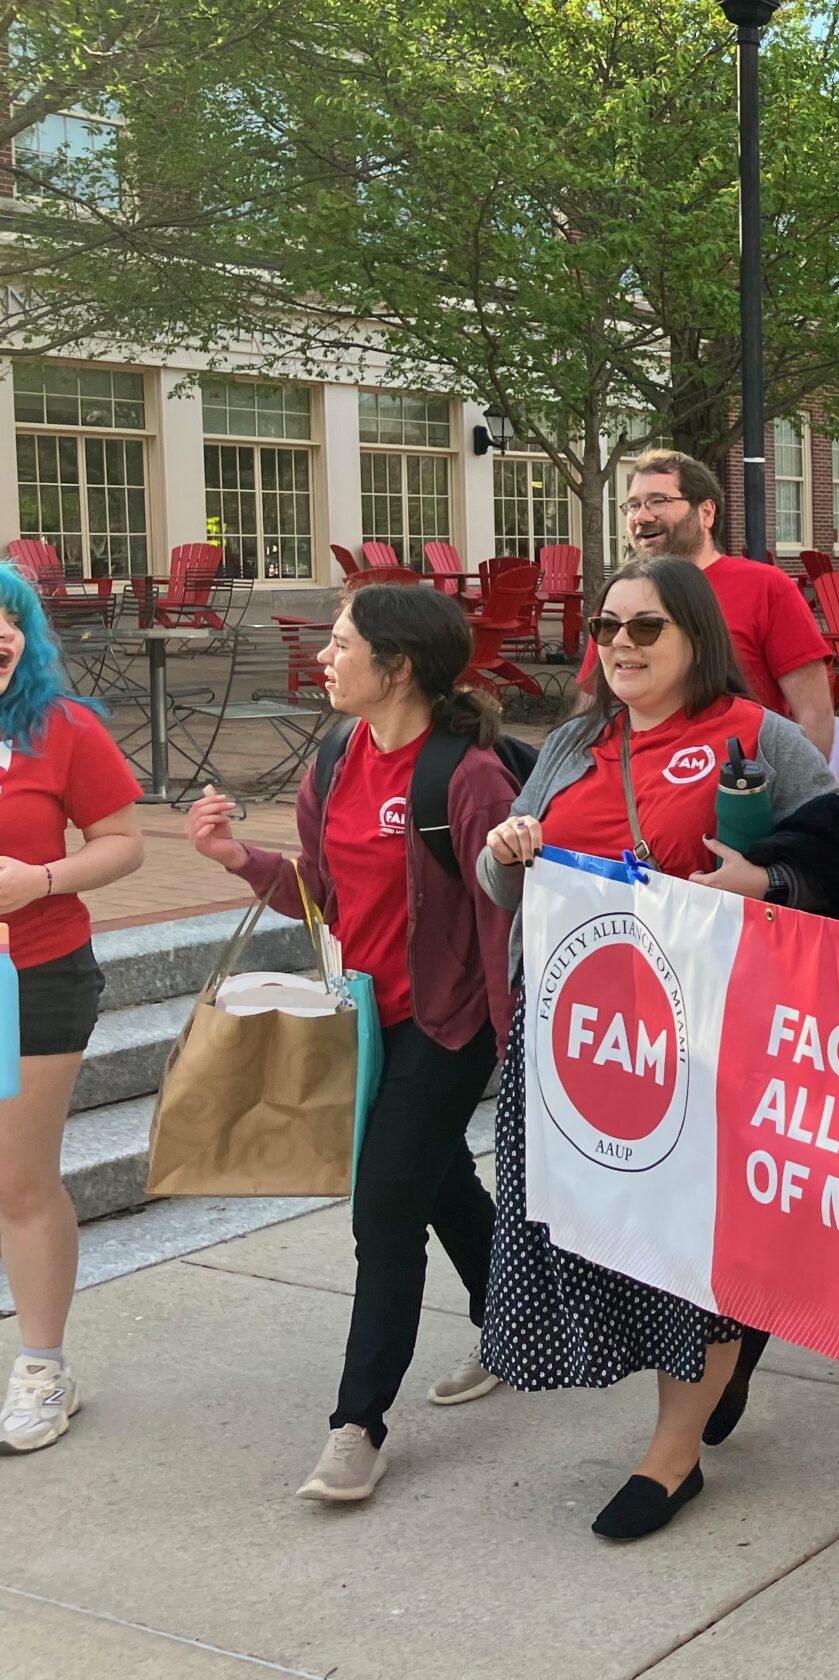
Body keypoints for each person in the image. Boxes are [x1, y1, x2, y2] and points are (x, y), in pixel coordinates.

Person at [478, 557, 834, 1539]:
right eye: (608, 627)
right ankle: (733, 1333)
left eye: (647, 627)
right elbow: (504, 882)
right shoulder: (572, 740)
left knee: (692, 1252)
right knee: (615, 1244)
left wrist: (766, 883)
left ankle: (672, 1456)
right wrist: (508, 851)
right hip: (580, 1048)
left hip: (709, 1047)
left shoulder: (758, 738)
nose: (622, 644)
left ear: (696, 637)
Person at [184, 584, 521, 1502]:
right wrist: (232, 859)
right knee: (435, 1174)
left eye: (341, 644)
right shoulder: (334, 755)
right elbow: (321, 891)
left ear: (398, 665)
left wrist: (510, 1031)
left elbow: (509, 915)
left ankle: (357, 1425)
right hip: (368, 1019)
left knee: (383, 1212)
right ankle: (511, 1320)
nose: (324, 659)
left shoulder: (467, 774)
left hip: (451, 1026)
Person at [0, 569, 143, 1454]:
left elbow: (125, 842)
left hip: (35, 974)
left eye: (9, 623)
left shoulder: (61, 726)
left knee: (17, 1182)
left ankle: (43, 1369)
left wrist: (38, 880)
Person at [619, 449, 835, 756]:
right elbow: (590, 711)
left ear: (706, 513)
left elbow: (814, 714)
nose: (640, 517)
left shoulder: (766, 587)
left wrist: (805, 794)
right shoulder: (622, 595)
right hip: (634, 786)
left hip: (740, 788)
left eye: (658, 501)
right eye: (633, 505)